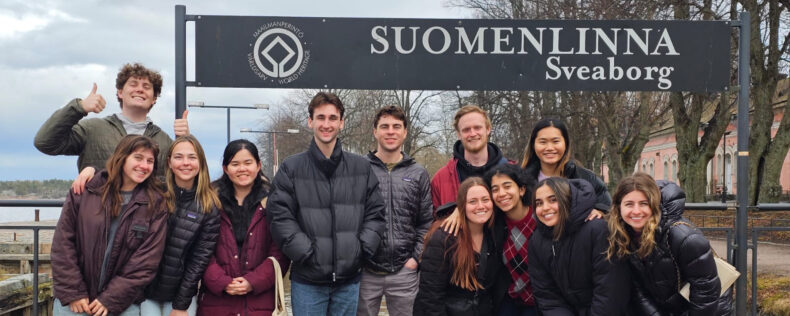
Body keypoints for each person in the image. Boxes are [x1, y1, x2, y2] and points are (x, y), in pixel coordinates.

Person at [267, 92, 386, 315]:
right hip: (308, 281)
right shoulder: (291, 168)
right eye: (320, 117)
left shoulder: (361, 167)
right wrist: (306, 253)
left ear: (342, 123)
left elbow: (376, 214)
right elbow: (279, 217)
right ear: (310, 121)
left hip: (348, 281)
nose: (326, 124)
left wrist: (359, 250)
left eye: (333, 118)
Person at [51, 135, 169, 316]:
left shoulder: (155, 204)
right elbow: (63, 244)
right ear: (122, 157)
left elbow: (146, 261)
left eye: (150, 161)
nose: (144, 166)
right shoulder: (86, 190)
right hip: (74, 303)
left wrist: (111, 299)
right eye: (138, 158)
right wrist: (73, 292)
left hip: (121, 306)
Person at [34, 62, 189, 191]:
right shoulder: (92, 129)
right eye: (133, 84)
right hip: (98, 220)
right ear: (120, 92)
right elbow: (45, 143)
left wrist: (186, 141)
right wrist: (79, 107)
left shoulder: (165, 141)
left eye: (147, 87)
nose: (140, 89)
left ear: (154, 98)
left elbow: (186, 180)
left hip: (145, 223)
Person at [606, 173, 733, 315]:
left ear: (654, 205)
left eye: (644, 203)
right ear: (618, 207)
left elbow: (706, 293)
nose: (636, 211)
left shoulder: (683, 237)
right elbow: (637, 289)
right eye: (629, 204)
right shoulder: (623, 236)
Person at [198, 139, 289, 316]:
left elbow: (280, 252)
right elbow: (201, 250)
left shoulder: (274, 202)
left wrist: (252, 282)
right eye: (235, 164)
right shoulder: (210, 203)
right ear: (225, 168)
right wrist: (222, 282)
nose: (242, 169)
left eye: (248, 163)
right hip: (216, 303)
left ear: (258, 165)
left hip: (261, 304)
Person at [358, 106, 434, 316]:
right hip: (365, 270)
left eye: (396, 126)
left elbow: (426, 221)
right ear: (375, 131)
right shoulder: (359, 169)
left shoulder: (418, 173)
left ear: (405, 132)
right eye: (384, 126)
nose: (390, 131)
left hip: (404, 271)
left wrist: (415, 259)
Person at [142, 135, 221, 316]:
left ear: (200, 162)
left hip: (179, 296)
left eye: (192, 157)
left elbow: (199, 261)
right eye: (179, 157)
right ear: (169, 162)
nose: (185, 163)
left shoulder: (209, 206)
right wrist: (91, 170)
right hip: (144, 292)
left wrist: (181, 305)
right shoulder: (153, 193)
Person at [528, 177, 630, 315]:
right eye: (539, 203)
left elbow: (609, 291)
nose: (545, 208)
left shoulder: (598, 230)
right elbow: (547, 295)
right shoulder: (537, 241)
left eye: (553, 200)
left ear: (567, 199)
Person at [414, 177, 506, 316]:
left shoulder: (494, 235)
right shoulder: (444, 238)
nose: (481, 206)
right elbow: (430, 296)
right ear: (462, 206)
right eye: (472, 201)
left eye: (485, 200)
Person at [430, 105, 511, 213]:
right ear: (459, 134)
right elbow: (432, 223)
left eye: (477, 128)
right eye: (466, 130)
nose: (472, 134)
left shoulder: (511, 172)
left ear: (488, 129)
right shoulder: (441, 179)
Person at [521, 118, 610, 215]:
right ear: (533, 145)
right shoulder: (522, 181)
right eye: (543, 142)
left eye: (555, 141)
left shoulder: (585, 177)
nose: (550, 148)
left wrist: (599, 212)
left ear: (566, 144)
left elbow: (608, 207)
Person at [482, 164, 538, 316]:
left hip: (541, 300)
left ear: (521, 189)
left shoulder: (541, 218)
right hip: (510, 298)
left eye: (507, 186)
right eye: (495, 189)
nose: (501, 194)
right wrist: (456, 212)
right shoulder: (494, 224)